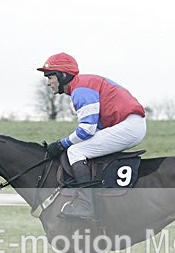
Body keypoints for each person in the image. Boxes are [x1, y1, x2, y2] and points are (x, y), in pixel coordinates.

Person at [38, 52, 146, 220]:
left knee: (75, 152)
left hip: (128, 127)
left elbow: (86, 130)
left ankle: (86, 205)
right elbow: (92, 130)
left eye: (50, 77)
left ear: (63, 75)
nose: (48, 83)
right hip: (129, 125)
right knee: (80, 148)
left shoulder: (80, 90)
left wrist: (61, 144)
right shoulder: (82, 85)